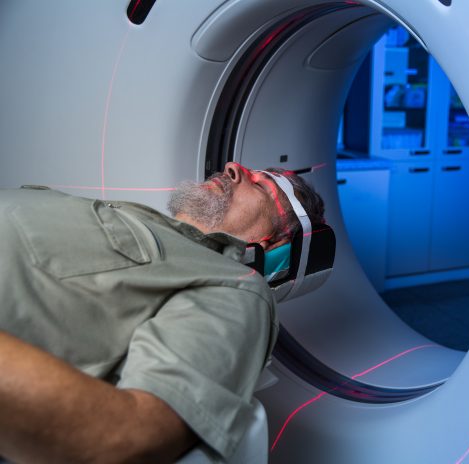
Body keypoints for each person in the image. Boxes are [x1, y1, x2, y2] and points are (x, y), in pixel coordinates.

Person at [0, 162, 325, 463]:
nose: (233, 167)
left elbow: (128, 437)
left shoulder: (234, 285)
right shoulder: (147, 227)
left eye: (261, 186)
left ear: (274, 244)